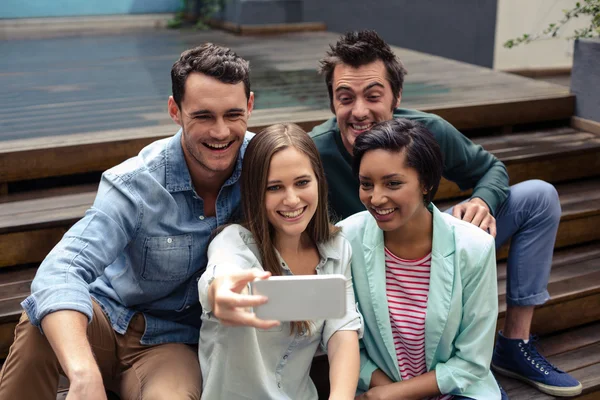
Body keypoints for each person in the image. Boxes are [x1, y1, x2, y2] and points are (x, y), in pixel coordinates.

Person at [310, 30, 582, 397]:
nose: (359, 111)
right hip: (359, 261)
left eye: (373, 96)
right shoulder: (314, 153)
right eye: (345, 98)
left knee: (538, 196)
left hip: (431, 237)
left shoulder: (427, 131)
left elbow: (492, 169)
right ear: (332, 103)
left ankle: (514, 343)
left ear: (397, 97)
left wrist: (482, 202)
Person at [0, 43, 257, 400]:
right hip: (105, 318)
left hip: (170, 344)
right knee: (37, 322)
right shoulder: (137, 182)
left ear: (250, 106)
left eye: (232, 115)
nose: (220, 132)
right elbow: (62, 270)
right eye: (203, 116)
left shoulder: (265, 168)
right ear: (175, 111)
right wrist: (83, 371)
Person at [197, 123, 362, 400]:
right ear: (255, 192)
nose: (291, 199)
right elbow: (221, 275)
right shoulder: (235, 242)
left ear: (319, 181)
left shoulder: (336, 248)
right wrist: (220, 293)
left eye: (302, 182)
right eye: (274, 187)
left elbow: (342, 332)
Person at [339, 118, 500, 399]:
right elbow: (344, 340)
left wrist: (394, 394)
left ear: (426, 183)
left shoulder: (475, 248)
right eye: (366, 184)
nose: (376, 198)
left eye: (392, 183)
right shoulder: (345, 239)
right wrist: (384, 390)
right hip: (376, 387)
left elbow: (472, 362)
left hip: (456, 393)